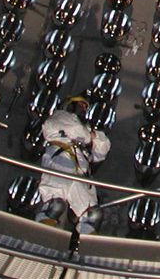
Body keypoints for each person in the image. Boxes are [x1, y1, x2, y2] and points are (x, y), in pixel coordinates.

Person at [35, 94, 111, 234]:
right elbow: (75, 128)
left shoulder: (87, 129)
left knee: (93, 215)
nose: (82, 109)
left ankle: (83, 245)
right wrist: (90, 137)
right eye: (79, 105)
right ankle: (41, 233)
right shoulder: (59, 117)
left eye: (84, 107)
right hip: (61, 163)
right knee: (55, 206)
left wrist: (93, 136)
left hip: (80, 172)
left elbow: (103, 149)